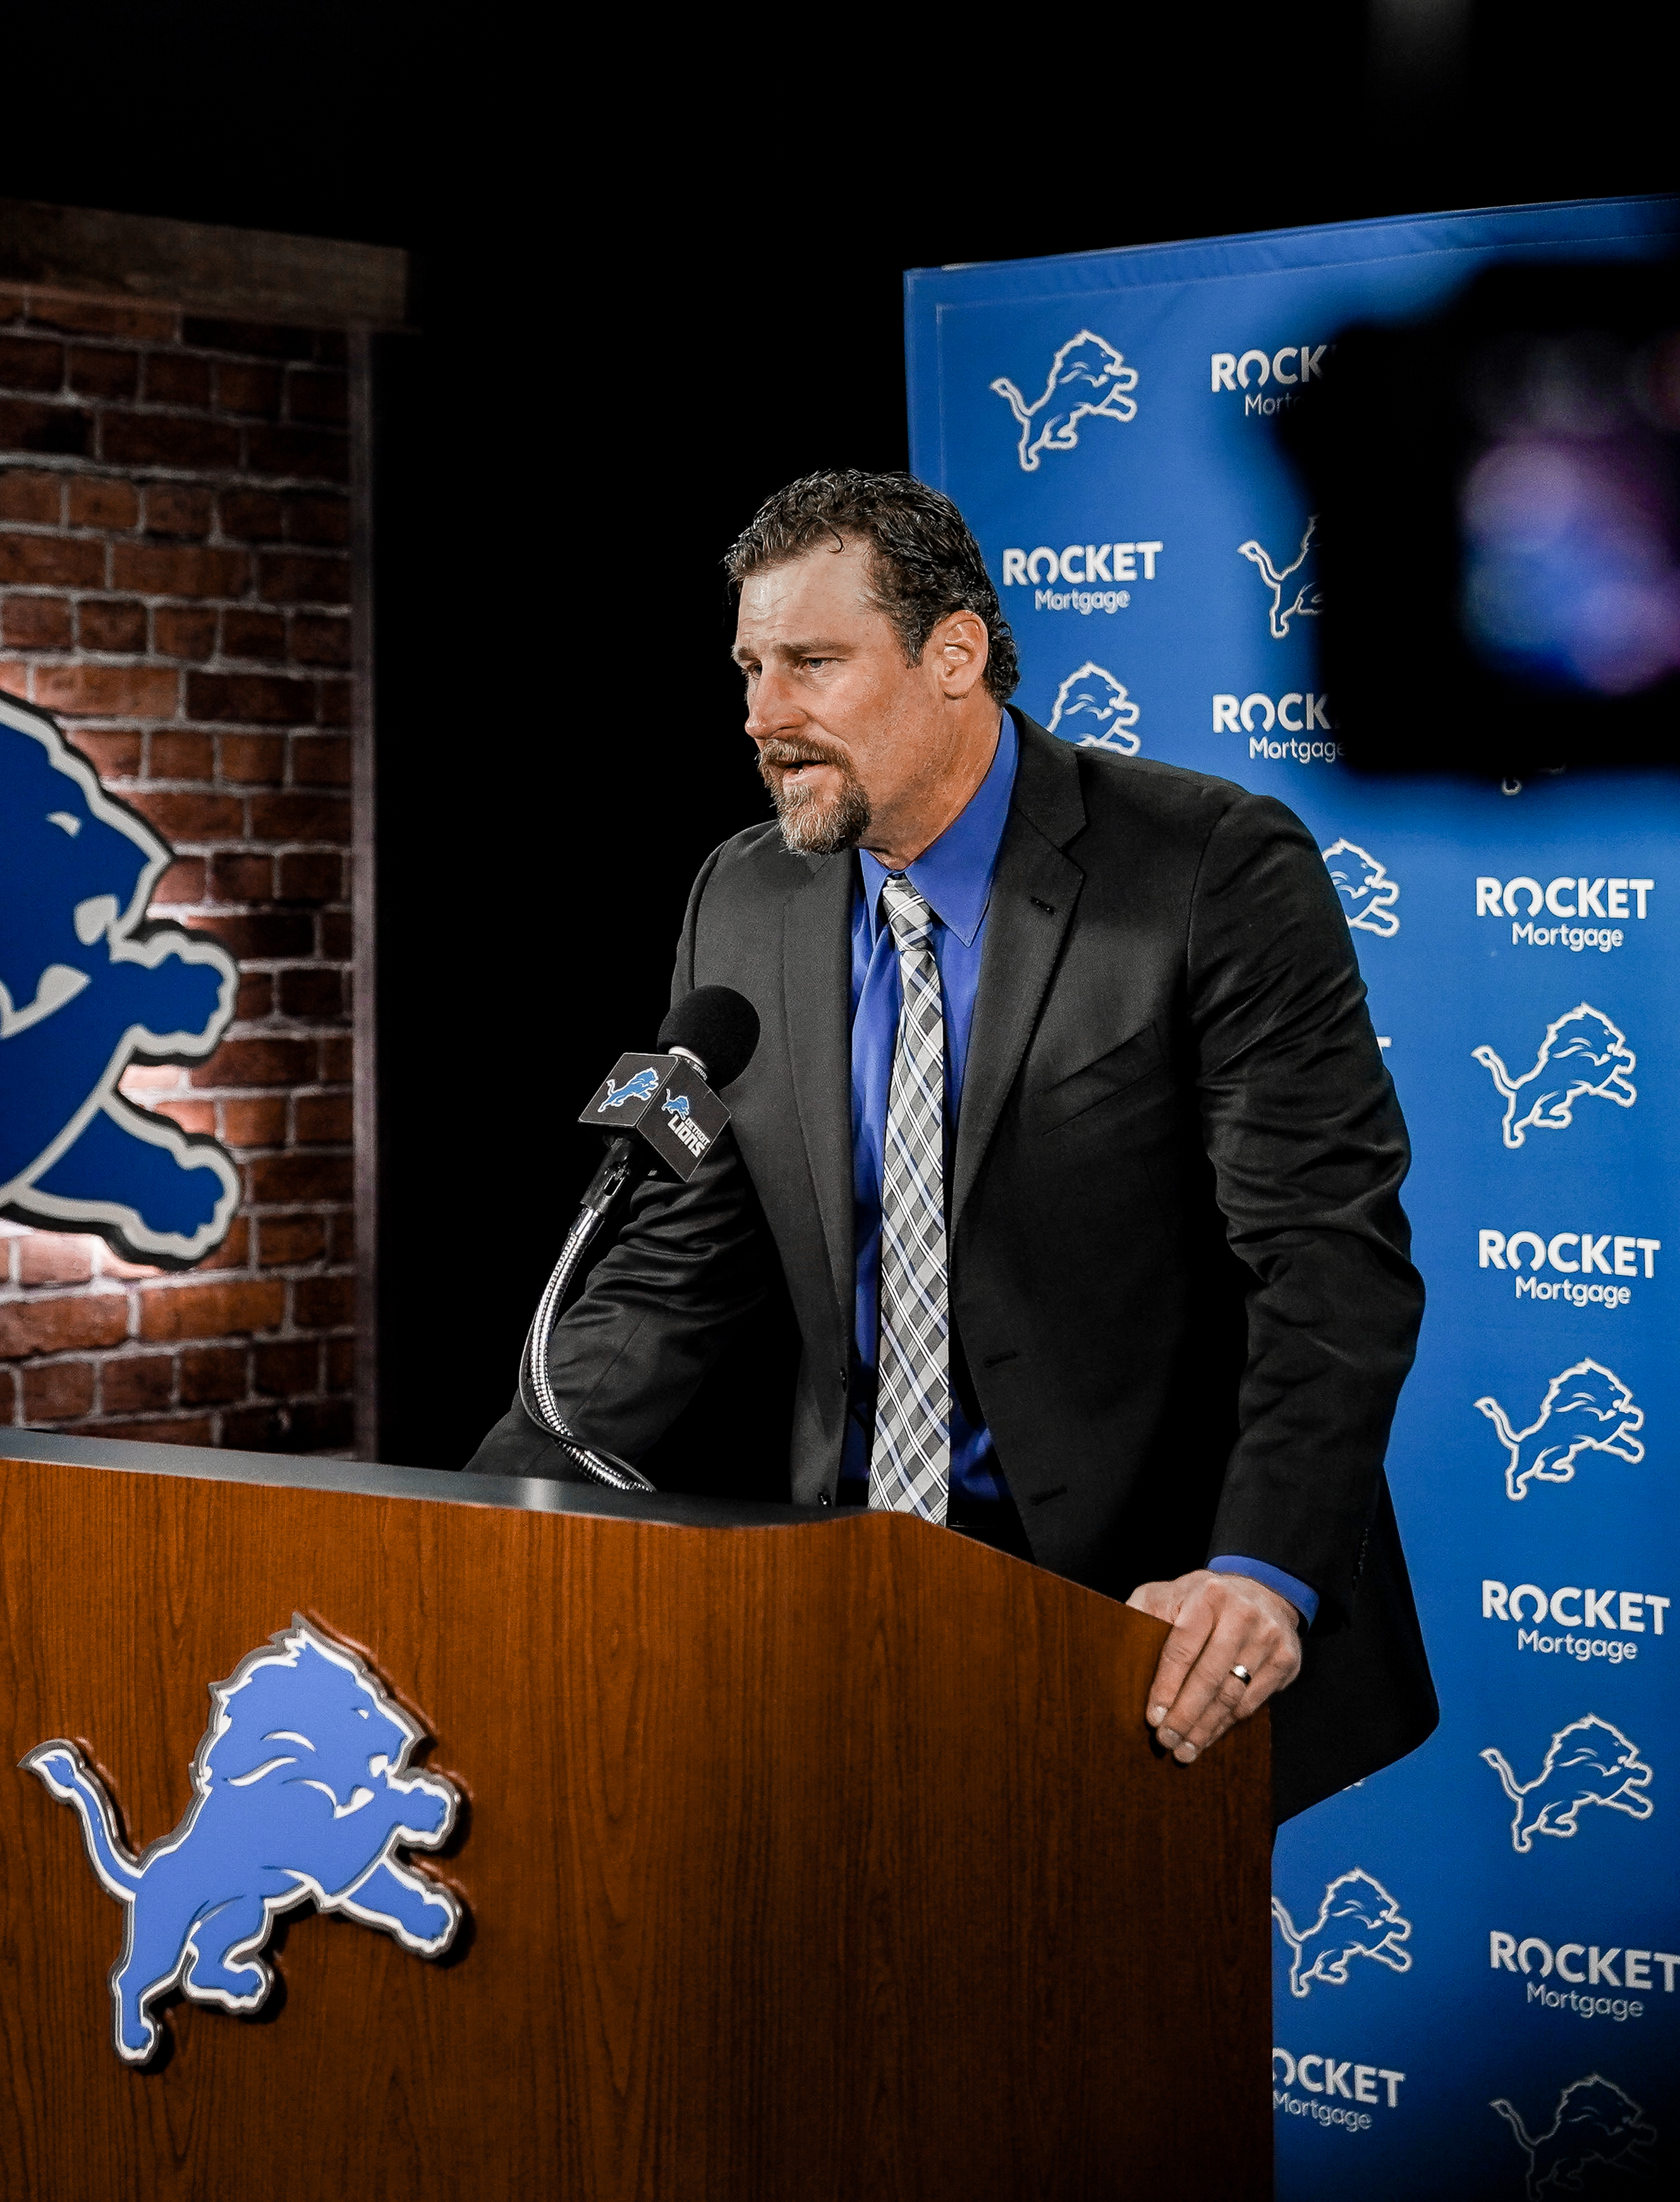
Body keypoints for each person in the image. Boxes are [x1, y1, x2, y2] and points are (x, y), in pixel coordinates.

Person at [471, 470, 1432, 1820]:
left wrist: (1257, 1572)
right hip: (852, 1611)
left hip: (1137, 1628)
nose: (764, 715)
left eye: (812, 662)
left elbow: (1325, 1265)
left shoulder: (1209, 869)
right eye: (749, 667)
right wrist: (476, 1531)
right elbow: (669, 1272)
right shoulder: (743, 895)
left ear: (954, 656)